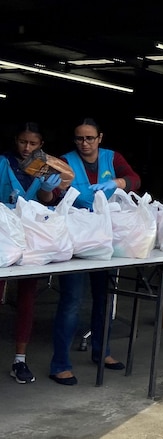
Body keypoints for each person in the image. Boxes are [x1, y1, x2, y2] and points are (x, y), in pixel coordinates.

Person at [49, 118, 141, 385]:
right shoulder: (64, 161)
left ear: (100, 137)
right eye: (79, 138)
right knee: (71, 302)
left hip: (105, 238)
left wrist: (117, 183)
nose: (85, 143)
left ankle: (103, 352)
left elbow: (134, 179)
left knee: (105, 298)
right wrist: (52, 188)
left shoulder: (113, 158)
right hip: (76, 239)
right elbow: (53, 196)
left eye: (90, 138)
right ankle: (60, 364)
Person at [0, 122, 63, 383]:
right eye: (23, 142)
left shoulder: (43, 169)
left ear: (41, 146)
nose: (27, 148)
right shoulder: (3, 163)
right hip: (3, 237)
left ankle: (20, 360)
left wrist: (48, 188)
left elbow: (48, 201)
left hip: (31, 240)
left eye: (33, 144)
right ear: (15, 140)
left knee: (27, 297)